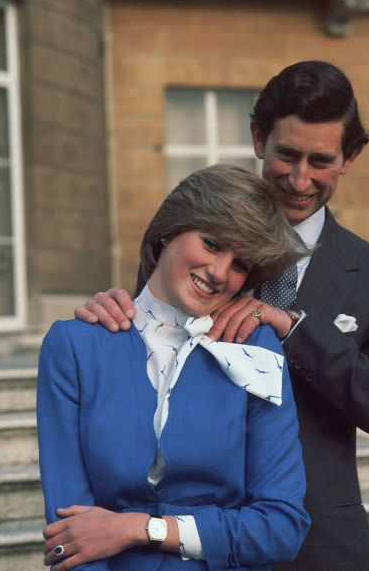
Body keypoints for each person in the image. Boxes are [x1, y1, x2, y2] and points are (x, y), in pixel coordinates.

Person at [74, 60, 369, 570]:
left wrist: (292, 327)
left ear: (350, 157)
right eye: (287, 154)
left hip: (319, 545)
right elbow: (147, 364)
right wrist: (110, 318)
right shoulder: (193, 247)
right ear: (259, 138)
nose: (300, 179)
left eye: (321, 161)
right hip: (191, 543)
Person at [37, 164, 312, 570]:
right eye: (213, 244)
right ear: (169, 230)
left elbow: (281, 527)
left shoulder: (256, 348)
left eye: (240, 264)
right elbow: (69, 533)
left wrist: (140, 528)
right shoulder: (75, 347)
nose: (220, 273)